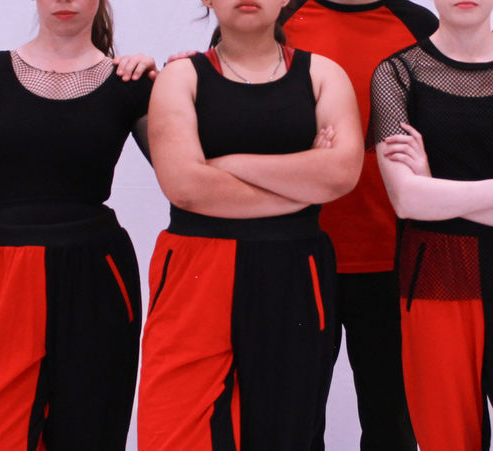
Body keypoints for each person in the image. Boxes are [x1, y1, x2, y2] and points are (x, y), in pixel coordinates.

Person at [136, 0, 363, 449]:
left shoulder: (323, 75)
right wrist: (303, 183)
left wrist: (227, 164)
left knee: (286, 432)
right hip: (196, 266)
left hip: (295, 268)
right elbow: (185, 187)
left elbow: (341, 174)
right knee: (175, 430)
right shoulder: (181, 77)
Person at [0, 0, 158, 448]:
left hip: (99, 278)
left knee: (90, 435)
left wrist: (174, 85)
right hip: (7, 275)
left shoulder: (129, 82)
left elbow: (187, 178)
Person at [370, 0, 493, 449]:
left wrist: (433, 189)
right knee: (446, 441)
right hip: (435, 276)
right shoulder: (397, 74)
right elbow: (406, 200)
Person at [278, 1, 437, 449]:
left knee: (393, 427)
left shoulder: (418, 24)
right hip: (298, 258)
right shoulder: (279, 17)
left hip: (394, 259)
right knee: (291, 426)